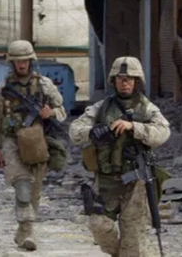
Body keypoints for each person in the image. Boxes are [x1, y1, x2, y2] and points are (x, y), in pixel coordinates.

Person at [71, 56, 170, 257]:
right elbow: (74, 130)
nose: (125, 83)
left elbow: (163, 132)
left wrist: (134, 127)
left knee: (132, 238)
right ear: (113, 81)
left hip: (136, 181)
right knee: (99, 226)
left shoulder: (147, 108)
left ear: (137, 81)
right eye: (120, 79)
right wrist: (93, 131)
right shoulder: (101, 108)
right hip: (106, 180)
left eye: (129, 79)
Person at [0, 40, 66, 251]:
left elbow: (62, 110)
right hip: (12, 141)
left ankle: (23, 231)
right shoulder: (3, 89)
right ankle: (29, 231)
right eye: (17, 61)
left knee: (34, 190)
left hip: (38, 141)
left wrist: (52, 112)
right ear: (12, 63)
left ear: (31, 61)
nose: (21, 65)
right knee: (22, 185)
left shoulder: (45, 85)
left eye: (25, 60)